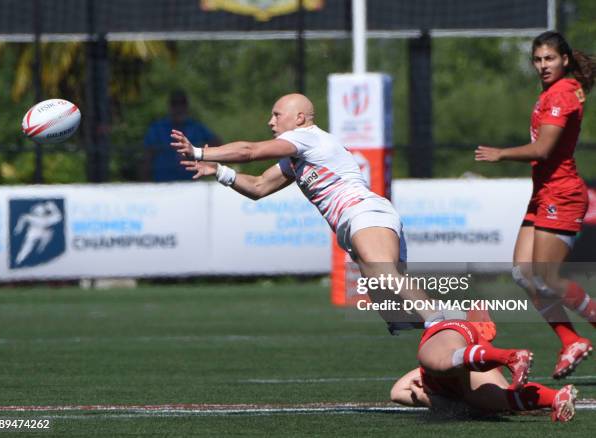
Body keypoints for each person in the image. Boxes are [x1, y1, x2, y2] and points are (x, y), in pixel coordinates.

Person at [170, 93, 464, 330]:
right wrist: (218, 171)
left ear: (299, 118)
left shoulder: (307, 137)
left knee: (388, 277)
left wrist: (199, 152)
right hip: (356, 222)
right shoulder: (296, 158)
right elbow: (259, 186)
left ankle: (445, 321)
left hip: (364, 212)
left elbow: (249, 151)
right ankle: (462, 322)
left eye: (276, 114)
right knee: (395, 314)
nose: (269, 121)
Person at [475, 31, 596, 379]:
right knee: (523, 274)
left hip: (563, 195)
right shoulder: (553, 91)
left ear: (565, 60)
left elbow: (543, 149)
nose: (543, 65)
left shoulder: (562, 94)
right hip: (543, 194)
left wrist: (501, 154)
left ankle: (576, 334)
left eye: (550, 59)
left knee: (546, 277)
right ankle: (570, 339)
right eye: (538, 59)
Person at [390, 319, 578, 423]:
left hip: (452, 337)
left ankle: (508, 357)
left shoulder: (473, 395)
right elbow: (398, 393)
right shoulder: (479, 397)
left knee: (440, 365)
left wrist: (425, 398)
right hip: (462, 345)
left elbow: (397, 393)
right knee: (450, 372)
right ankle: (556, 397)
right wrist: (426, 398)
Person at [142, 90, 221, 182]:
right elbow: (147, 157)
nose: (178, 107)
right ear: (170, 106)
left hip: (191, 181)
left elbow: (217, 143)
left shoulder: (196, 127)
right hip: (163, 182)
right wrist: (146, 182)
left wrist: (196, 151)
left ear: (187, 106)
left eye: (182, 103)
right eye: (175, 103)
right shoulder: (157, 128)